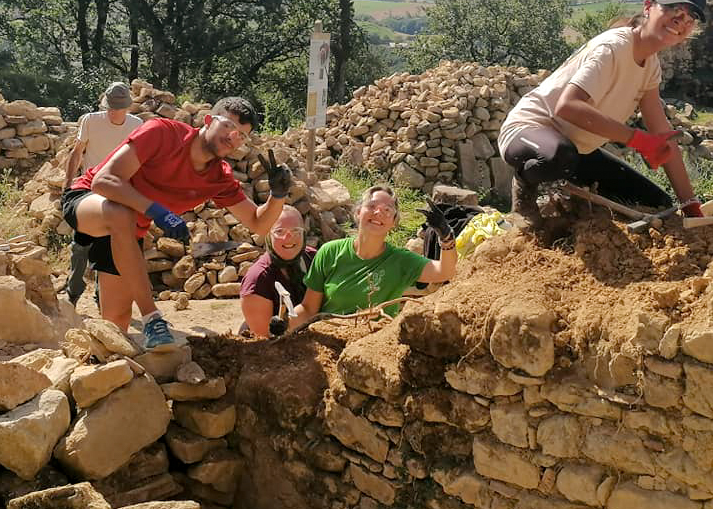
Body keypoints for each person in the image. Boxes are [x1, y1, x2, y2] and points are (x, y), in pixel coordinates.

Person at [61, 97, 292, 349]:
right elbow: (104, 181)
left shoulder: (218, 177)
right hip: (89, 200)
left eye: (241, 136)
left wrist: (277, 195)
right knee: (122, 214)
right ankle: (152, 318)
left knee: (117, 323)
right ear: (208, 120)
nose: (232, 137)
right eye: (228, 125)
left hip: (126, 233)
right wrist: (158, 211)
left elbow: (258, 224)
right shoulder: (162, 133)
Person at [498, 0, 707, 221]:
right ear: (649, 7)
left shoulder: (650, 66)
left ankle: (574, 202)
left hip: (576, 150)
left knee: (656, 203)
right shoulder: (613, 47)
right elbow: (568, 106)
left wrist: (690, 204)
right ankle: (524, 186)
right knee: (557, 157)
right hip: (530, 131)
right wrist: (637, 140)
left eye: (690, 17)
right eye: (674, 9)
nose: (681, 20)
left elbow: (664, 136)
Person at [289, 186, 456, 328]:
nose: (378, 213)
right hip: (329, 340)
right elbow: (309, 309)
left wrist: (446, 237)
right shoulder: (330, 252)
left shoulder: (401, 261)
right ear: (358, 212)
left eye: (387, 210)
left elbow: (445, 271)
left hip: (372, 345)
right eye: (372, 206)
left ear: (393, 223)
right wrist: (284, 323)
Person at [61, 82, 143, 306]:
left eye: (118, 107)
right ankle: (73, 293)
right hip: (89, 190)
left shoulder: (137, 126)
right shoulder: (91, 120)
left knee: (109, 247)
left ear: (127, 107)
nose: (113, 111)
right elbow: (77, 152)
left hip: (119, 192)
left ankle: (102, 298)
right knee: (81, 243)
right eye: (111, 106)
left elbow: (141, 162)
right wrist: (68, 184)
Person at [239, 205, 316, 337]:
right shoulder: (258, 279)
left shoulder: (314, 259)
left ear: (304, 232)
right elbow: (264, 337)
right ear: (268, 234)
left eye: (296, 231)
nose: (288, 238)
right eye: (280, 231)